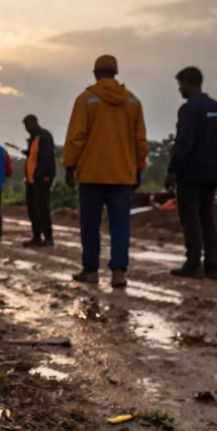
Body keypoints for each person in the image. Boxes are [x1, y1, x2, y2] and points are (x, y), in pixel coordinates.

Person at [63, 54, 147, 288]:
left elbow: (76, 137)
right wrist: (139, 168)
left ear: (95, 73)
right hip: (122, 174)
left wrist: (69, 166)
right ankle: (119, 272)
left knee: (90, 224)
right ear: (115, 73)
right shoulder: (133, 102)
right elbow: (140, 140)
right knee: (120, 225)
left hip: (92, 174)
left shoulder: (86, 99)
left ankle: (90, 271)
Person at [165, 66, 217, 279]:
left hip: (192, 173)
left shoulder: (189, 109)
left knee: (190, 216)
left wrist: (173, 171)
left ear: (188, 83)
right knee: (207, 217)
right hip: (214, 173)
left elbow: (184, 142)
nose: (179, 89)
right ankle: (212, 266)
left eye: (180, 84)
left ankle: (193, 264)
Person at [22, 114, 56, 250]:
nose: (27, 129)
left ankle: (48, 237)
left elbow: (48, 157)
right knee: (32, 210)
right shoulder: (32, 139)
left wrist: (47, 175)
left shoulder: (45, 137)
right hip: (31, 180)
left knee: (42, 209)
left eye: (27, 126)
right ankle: (36, 237)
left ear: (34, 124)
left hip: (42, 180)